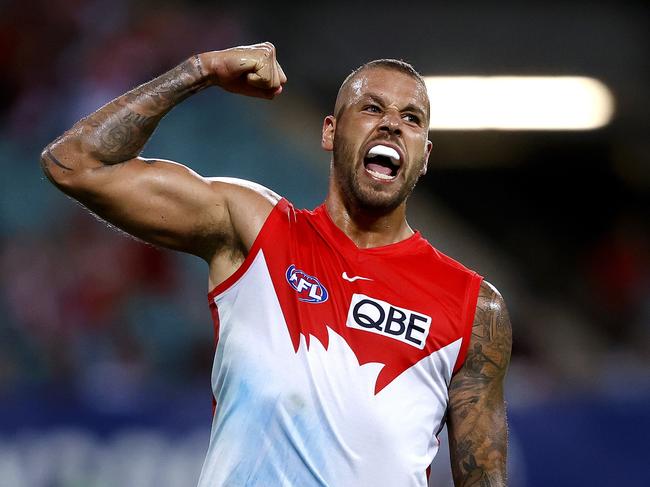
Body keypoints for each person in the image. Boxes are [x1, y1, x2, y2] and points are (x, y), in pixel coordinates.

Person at [41, 42, 512, 487]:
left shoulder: (474, 309)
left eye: (411, 118)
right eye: (371, 108)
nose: (391, 124)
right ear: (330, 131)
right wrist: (200, 70)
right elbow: (74, 164)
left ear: (424, 156)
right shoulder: (254, 229)